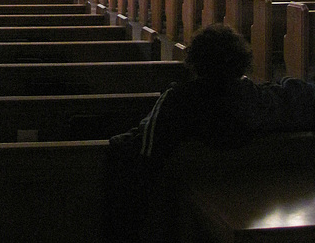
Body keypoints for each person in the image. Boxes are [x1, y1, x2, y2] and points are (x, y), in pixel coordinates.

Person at [110, 24, 315, 166]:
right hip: (248, 189)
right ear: (241, 62)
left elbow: (144, 148)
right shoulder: (256, 99)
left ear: (194, 62)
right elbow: (297, 97)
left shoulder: (178, 100)